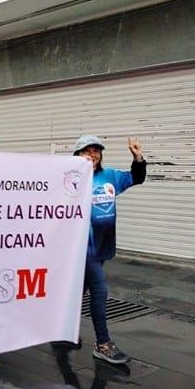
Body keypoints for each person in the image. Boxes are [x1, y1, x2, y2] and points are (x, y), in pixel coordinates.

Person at [73, 134, 146, 364]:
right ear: (76, 155)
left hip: (103, 246)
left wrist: (138, 157)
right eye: (87, 150)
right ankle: (103, 344)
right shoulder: (69, 179)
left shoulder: (110, 176)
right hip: (82, 248)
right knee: (99, 290)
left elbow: (137, 177)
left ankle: (63, 330)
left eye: (96, 150)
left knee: (79, 290)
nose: (92, 154)